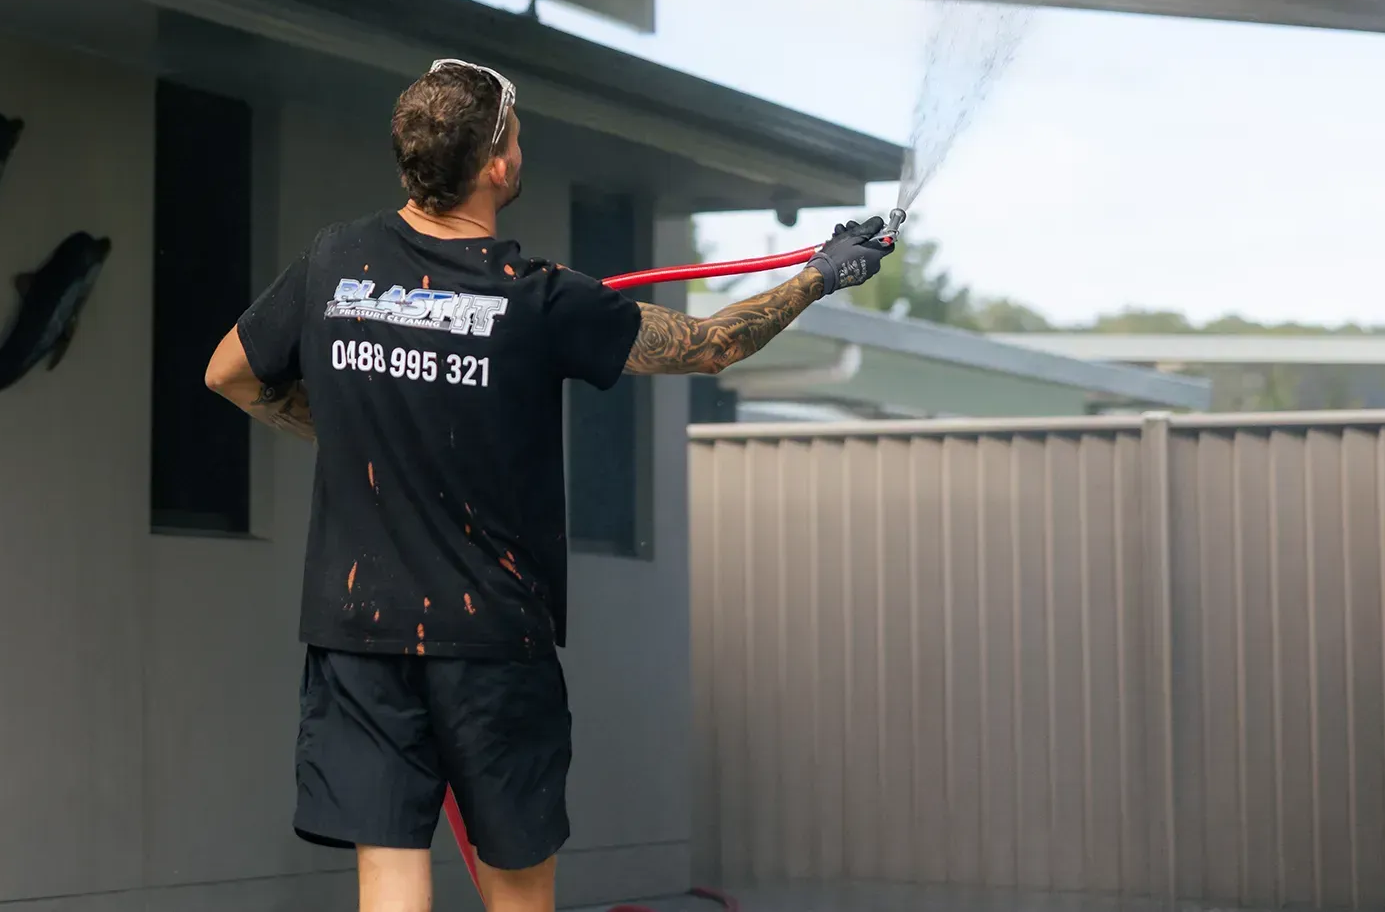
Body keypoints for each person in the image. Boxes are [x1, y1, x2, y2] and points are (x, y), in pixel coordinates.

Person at [204, 57, 892, 912]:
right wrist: (824, 273)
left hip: (360, 633)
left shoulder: (332, 262)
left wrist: (351, 429)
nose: (522, 148)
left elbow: (230, 372)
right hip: (491, 638)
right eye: (517, 136)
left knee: (387, 874)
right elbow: (709, 344)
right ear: (497, 166)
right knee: (519, 887)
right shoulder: (537, 300)